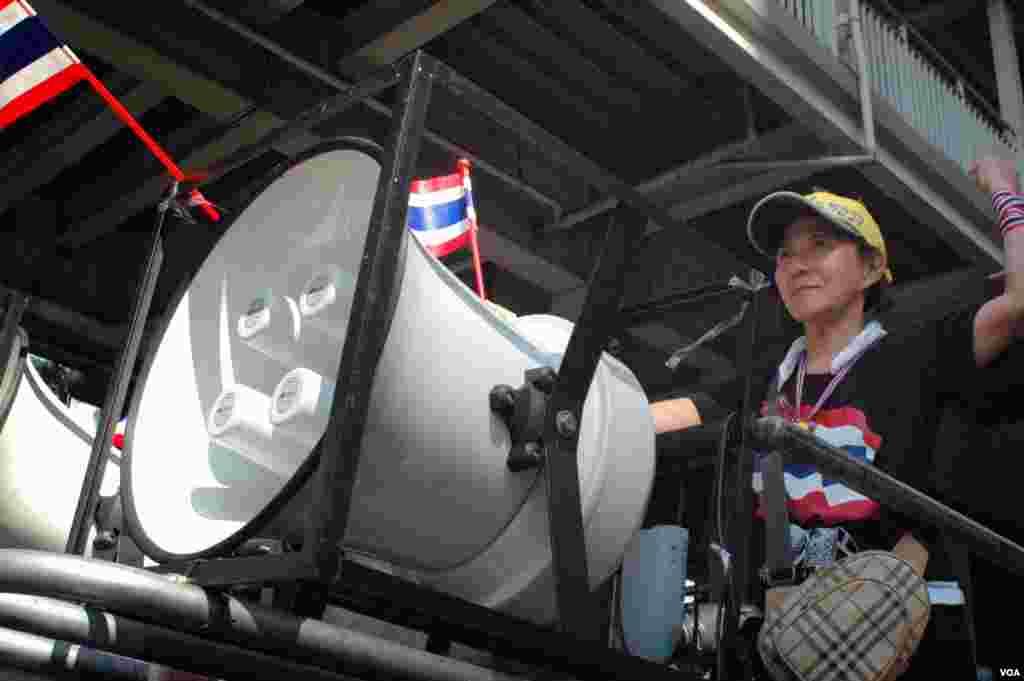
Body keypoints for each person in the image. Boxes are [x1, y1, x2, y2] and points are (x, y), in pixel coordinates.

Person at [651, 156, 1024, 679]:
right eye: (785, 255)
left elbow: (1019, 301)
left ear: (871, 268)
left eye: (821, 246)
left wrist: (1005, 191)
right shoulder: (768, 379)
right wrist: (583, 395)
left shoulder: (915, 353)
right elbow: (675, 414)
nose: (797, 265)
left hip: (902, 637)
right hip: (787, 645)